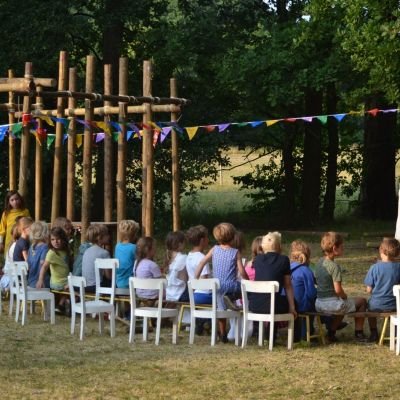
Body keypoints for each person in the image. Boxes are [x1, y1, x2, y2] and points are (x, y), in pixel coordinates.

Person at [195, 222, 248, 342]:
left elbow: (202, 262)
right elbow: (241, 271)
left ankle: (223, 333)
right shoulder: (235, 252)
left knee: (221, 308)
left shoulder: (214, 249)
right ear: (233, 236)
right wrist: (248, 281)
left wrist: (196, 279)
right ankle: (234, 300)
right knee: (244, 290)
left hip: (217, 286)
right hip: (231, 285)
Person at [315, 231, 368, 343]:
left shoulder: (319, 262)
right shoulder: (334, 267)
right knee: (362, 302)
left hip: (319, 303)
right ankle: (359, 333)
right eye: (341, 247)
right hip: (332, 305)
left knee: (343, 304)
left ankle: (331, 333)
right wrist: (344, 296)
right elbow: (338, 290)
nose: (343, 249)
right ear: (335, 248)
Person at [248, 232, 297, 343]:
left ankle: (268, 336)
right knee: (287, 302)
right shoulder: (284, 260)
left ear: (262, 247)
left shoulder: (258, 260)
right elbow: (288, 286)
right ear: (280, 246)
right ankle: (296, 337)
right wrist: (292, 307)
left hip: (255, 305)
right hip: (273, 305)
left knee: (273, 299)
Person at [364, 238, 400, 342]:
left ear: (381, 251)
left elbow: (369, 290)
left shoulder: (374, 268)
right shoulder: (398, 267)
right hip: (394, 304)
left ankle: (374, 332)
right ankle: (397, 331)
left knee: (370, 308)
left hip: (377, 305)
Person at [36, 227, 71, 312]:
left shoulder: (66, 251)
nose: (55, 242)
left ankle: (63, 304)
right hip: (58, 282)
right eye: (53, 239)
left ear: (63, 239)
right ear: (50, 241)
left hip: (64, 280)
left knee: (74, 284)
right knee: (74, 288)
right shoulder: (51, 253)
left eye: (58, 239)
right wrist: (40, 280)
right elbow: (44, 267)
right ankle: (61, 304)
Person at [289, 240, 317, 341]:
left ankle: (296, 334)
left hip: (288, 303)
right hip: (302, 306)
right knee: (313, 304)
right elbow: (311, 293)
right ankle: (307, 333)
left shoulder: (287, 269)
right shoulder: (306, 271)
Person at [186, 225, 212, 304]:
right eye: (207, 237)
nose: (208, 240)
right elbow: (204, 280)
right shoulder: (202, 258)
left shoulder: (189, 256)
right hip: (204, 295)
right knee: (225, 299)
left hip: (194, 294)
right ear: (202, 240)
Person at [81, 224, 111, 293]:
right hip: (96, 287)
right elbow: (109, 276)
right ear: (99, 237)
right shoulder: (104, 253)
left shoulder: (86, 251)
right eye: (107, 235)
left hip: (86, 286)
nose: (109, 236)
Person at [115, 219, 140, 288]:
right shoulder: (134, 248)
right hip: (130, 283)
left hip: (118, 282)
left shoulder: (117, 246)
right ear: (134, 235)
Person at [165, 231, 188, 302]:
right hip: (180, 293)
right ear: (180, 244)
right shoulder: (184, 257)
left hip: (169, 294)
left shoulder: (168, 258)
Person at [27, 221, 50, 288]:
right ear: (45, 233)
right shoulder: (44, 247)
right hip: (41, 282)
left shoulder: (31, 247)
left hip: (30, 281)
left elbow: (28, 264)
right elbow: (43, 264)